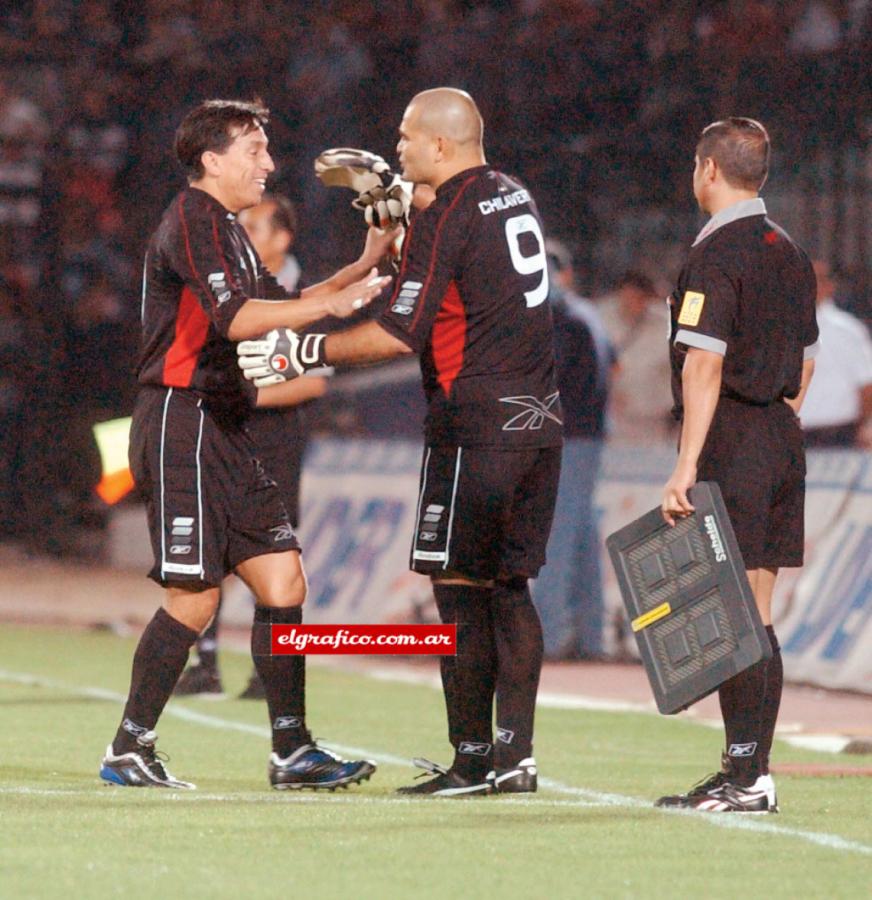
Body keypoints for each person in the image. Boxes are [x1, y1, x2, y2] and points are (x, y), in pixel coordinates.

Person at [238, 88, 562, 797]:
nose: (399, 148)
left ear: (441, 147)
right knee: (512, 590)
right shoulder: (513, 194)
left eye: (408, 138)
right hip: (540, 422)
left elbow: (397, 332)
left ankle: (473, 759)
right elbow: (464, 271)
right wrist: (407, 212)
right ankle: (518, 756)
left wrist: (306, 351)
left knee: (457, 593)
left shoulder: (448, 211)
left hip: (473, 425)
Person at [99, 99, 393, 791]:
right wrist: (330, 306)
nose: (268, 162)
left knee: (282, 577)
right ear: (212, 159)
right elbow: (240, 319)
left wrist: (364, 262)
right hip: (182, 422)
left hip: (221, 424)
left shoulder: (225, 229)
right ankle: (128, 747)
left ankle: (291, 750)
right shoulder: (194, 218)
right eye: (254, 148)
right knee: (195, 599)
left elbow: (277, 299)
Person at [658, 117, 818, 813]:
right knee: (755, 608)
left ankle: (748, 776)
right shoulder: (789, 250)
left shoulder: (717, 253)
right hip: (781, 432)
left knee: (734, 614)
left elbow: (704, 362)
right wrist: (775, 429)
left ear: (709, 171)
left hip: (735, 436)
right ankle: (744, 769)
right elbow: (808, 360)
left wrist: (686, 465)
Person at [173, 192, 328, 699]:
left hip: (275, 437)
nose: (244, 237)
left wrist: (247, 395)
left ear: (283, 238)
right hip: (227, 429)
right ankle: (208, 663)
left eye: (255, 228)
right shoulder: (233, 291)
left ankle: (270, 671)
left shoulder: (304, 295)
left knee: (273, 554)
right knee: (210, 547)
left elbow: (314, 381)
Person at [531, 239, 614, 659]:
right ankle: (590, 636)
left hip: (569, 438)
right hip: (588, 437)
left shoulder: (566, 321)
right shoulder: (587, 316)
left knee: (556, 536)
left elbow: (552, 382)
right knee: (580, 536)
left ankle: (544, 635)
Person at [799, 259, 872, 448]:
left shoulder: (849, 331)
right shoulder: (775, 330)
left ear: (830, 286)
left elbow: (866, 386)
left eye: (818, 279)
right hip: (791, 436)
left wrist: (866, 427)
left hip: (840, 435)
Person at [598, 270, 675, 445]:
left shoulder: (666, 326)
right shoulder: (600, 319)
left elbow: (677, 373)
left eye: (637, 297)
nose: (631, 301)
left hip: (652, 421)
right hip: (610, 419)